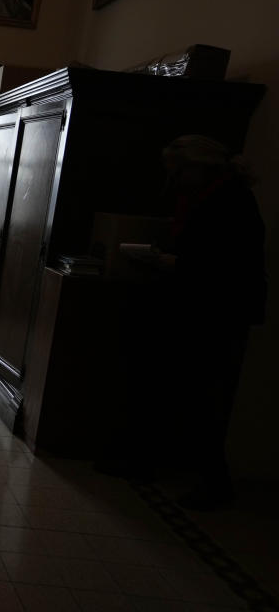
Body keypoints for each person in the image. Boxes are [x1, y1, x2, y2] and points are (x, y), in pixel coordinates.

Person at [119, 135, 266, 510]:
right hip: (203, 307)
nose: (173, 179)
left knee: (206, 398)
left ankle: (213, 482)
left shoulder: (229, 201)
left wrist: (174, 263)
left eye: (177, 170)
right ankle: (158, 465)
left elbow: (228, 264)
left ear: (198, 167)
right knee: (190, 392)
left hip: (218, 312)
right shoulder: (211, 196)